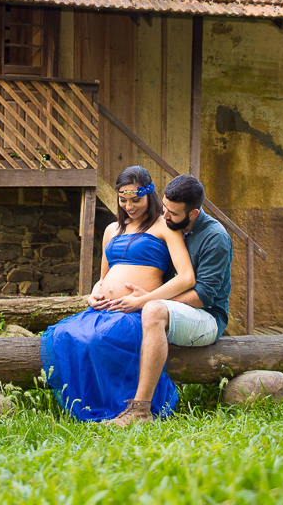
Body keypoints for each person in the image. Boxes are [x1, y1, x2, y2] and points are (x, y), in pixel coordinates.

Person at [40, 166, 195, 422]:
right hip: (103, 309)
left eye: (136, 200)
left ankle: (131, 407)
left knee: (98, 339)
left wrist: (143, 300)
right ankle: (93, 405)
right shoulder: (112, 229)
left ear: (149, 196)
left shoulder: (163, 227)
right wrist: (92, 295)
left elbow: (187, 277)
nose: (129, 206)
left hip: (136, 311)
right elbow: (103, 278)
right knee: (66, 334)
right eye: (123, 200)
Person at [98, 174, 232, 427]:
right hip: (168, 310)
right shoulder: (171, 227)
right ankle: (109, 402)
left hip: (208, 318)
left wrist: (145, 301)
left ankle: (140, 412)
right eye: (165, 208)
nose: (164, 215)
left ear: (192, 214)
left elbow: (203, 296)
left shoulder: (215, 238)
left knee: (153, 311)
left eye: (172, 213)